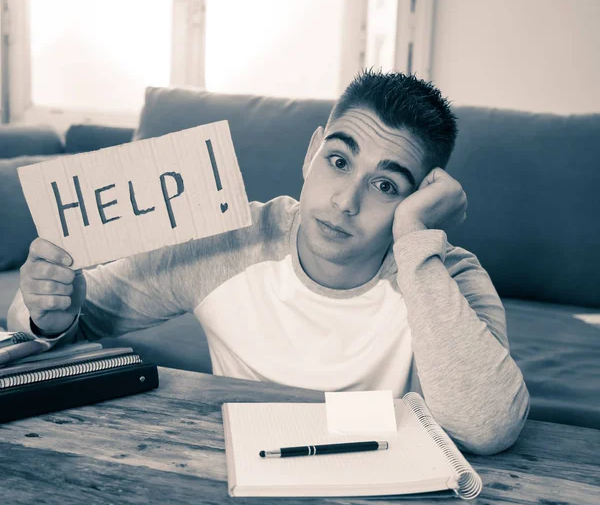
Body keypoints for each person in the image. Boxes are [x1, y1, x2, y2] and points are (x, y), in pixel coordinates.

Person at [8, 69, 529, 455]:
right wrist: (45, 314)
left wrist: (415, 240)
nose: (345, 202)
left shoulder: (445, 274)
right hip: (238, 472)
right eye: (339, 160)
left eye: (386, 185)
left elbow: (487, 426)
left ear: (421, 201)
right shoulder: (230, 241)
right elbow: (67, 317)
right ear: (310, 155)